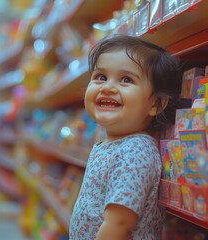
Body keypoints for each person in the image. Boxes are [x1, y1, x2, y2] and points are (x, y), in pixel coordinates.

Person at [69, 34, 182, 240]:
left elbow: (119, 224)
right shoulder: (110, 144)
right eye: (101, 77)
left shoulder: (135, 151)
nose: (108, 87)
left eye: (126, 80)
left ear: (156, 104)